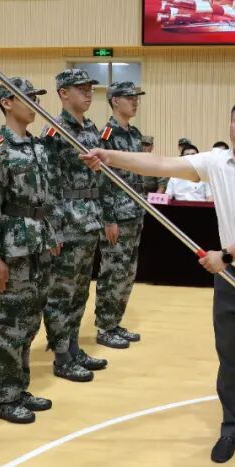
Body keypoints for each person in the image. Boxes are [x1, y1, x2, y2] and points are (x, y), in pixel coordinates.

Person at [80, 97, 235, 466]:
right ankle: (232, 427)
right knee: (231, 361)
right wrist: (109, 157)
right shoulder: (216, 162)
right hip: (230, 281)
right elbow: (162, 164)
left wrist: (225, 255)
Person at [0, 77, 58, 424]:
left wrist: (52, 234)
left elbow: (45, 199)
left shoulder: (37, 147)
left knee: (29, 320)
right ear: (7, 103)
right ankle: (3, 397)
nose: (35, 103)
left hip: (38, 244)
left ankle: (19, 387)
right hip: (12, 249)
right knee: (8, 324)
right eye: (29, 97)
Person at [41, 69, 111, 382]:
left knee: (81, 291)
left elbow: (101, 178)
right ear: (63, 93)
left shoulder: (92, 129)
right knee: (61, 293)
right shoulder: (54, 131)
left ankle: (73, 346)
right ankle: (61, 356)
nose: (88, 93)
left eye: (90, 88)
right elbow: (48, 184)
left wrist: (105, 216)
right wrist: (52, 229)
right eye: (80, 88)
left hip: (90, 220)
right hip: (67, 222)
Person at [95, 81, 149, 350]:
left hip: (134, 212)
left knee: (127, 272)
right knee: (112, 272)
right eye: (130, 97)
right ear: (115, 101)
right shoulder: (106, 136)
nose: (135, 101)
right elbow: (102, 180)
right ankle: (104, 327)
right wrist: (109, 218)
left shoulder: (135, 134)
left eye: (136, 97)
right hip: (117, 214)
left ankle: (115, 322)